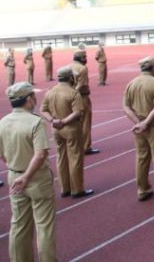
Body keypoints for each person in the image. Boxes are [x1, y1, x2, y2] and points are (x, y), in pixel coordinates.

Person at [0, 82, 57, 262]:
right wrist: (27, 176)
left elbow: (3, 155)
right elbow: (40, 154)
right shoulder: (35, 122)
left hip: (15, 177)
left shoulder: (3, 123)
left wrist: (18, 171)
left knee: (19, 225)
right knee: (44, 226)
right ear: (28, 99)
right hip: (37, 178)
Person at [122, 56, 154, 203]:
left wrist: (138, 122)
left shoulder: (131, 84)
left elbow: (125, 107)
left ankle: (142, 190)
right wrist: (146, 123)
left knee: (141, 158)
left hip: (139, 126)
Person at [41, 67, 94, 198]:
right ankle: (77, 189)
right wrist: (64, 121)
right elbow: (77, 112)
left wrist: (53, 120)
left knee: (61, 158)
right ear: (70, 78)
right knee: (75, 158)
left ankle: (65, 188)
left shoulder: (50, 92)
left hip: (56, 129)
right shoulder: (73, 93)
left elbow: (43, 110)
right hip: (71, 129)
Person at [70, 51, 100, 155]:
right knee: (85, 123)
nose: (86, 59)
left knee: (75, 123)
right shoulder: (82, 69)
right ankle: (86, 146)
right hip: (82, 97)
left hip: (70, 99)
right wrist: (73, 94)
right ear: (81, 58)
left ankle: (75, 145)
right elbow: (81, 84)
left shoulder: (69, 67)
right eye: (85, 57)